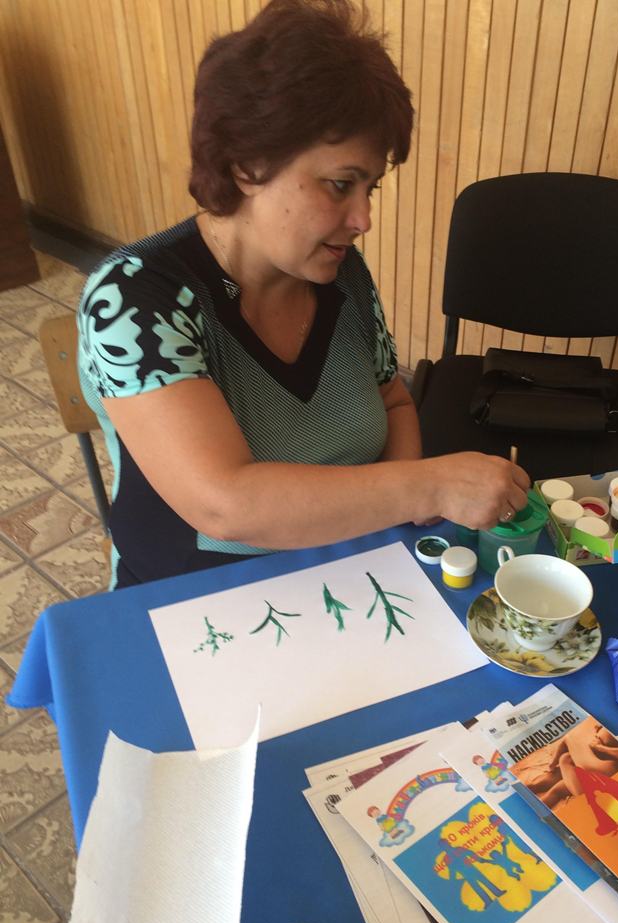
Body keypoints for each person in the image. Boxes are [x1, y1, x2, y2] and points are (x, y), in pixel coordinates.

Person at [78, 0, 530, 588]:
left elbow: (393, 401)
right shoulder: (134, 298)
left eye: (370, 188)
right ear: (246, 165)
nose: (363, 219)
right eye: (340, 184)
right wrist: (428, 486)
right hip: (194, 601)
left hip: (350, 572)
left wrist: (389, 539)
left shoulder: (341, 275)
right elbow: (225, 504)